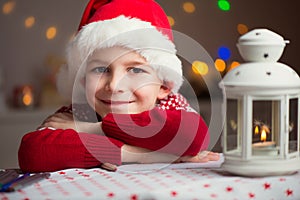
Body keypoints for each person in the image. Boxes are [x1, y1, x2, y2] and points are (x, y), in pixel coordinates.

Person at [18, 0, 219, 173]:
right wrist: (139, 155)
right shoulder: (81, 111)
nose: (114, 86)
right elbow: (33, 152)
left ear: (164, 86)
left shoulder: (170, 105)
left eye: (136, 71)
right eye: (100, 70)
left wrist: (95, 129)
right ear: (83, 81)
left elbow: (192, 137)